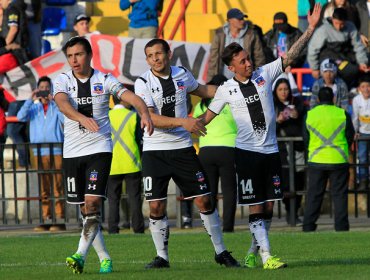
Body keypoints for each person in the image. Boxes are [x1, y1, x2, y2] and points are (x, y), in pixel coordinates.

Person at [201, 4, 322, 269]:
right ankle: (267, 257)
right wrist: (180, 125)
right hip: (246, 154)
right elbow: (205, 119)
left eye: (248, 58)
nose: (249, 62)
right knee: (256, 206)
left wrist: (311, 28)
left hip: (271, 152)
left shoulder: (264, 74)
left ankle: (253, 251)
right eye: (243, 61)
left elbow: (290, 55)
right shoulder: (225, 90)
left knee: (267, 208)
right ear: (232, 67)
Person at [135, 38, 240, 269]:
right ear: (147, 59)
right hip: (155, 152)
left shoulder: (182, 74)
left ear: (168, 54)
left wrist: (233, 88)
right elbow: (151, 118)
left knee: (204, 199)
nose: (155, 59)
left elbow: (203, 90)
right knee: (155, 206)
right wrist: (184, 122)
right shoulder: (142, 82)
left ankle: (221, 252)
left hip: (183, 150)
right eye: (150, 55)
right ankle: (162, 257)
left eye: (159, 54)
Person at [52, 36, 153, 274]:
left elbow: (131, 97)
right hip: (72, 152)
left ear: (89, 55)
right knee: (87, 211)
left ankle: (79, 255)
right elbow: (61, 102)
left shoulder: (104, 79)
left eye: (78, 55)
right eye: (70, 56)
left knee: (93, 202)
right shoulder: (63, 80)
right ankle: (104, 257)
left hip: (99, 149)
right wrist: (81, 117)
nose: (74, 60)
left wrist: (145, 112)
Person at [302, 87, 354, 232]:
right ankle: (341, 227)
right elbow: (350, 135)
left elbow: (305, 139)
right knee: (340, 196)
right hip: (338, 160)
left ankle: (308, 226)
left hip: (316, 160)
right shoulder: (342, 114)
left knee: (314, 195)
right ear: (333, 98)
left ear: (318, 99)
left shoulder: (310, 115)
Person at [17, 76, 65, 231]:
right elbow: (20, 117)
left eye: (46, 87)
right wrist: (30, 99)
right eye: (41, 87)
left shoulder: (55, 107)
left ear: (50, 89)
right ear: (37, 89)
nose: (44, 90)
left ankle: (59, 219)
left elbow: (65, 119)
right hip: (38, 151)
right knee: (43, 187)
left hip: (56, 150)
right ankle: (46, 217)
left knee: (57, 186)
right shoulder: (34, 107)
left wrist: (56, 102)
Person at [193, 74, 238, 232]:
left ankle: (211, 226)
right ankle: (228, 227)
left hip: (205, 150)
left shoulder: (201, 105)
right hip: (228, 149)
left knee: (209, 191)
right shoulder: (230, 102)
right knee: (229, 190)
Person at [107, 95, 145, 234]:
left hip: (112, 164)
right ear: (122, 100)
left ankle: (112, 229)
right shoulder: (133, 116)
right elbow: (140, 139)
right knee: (135, 198)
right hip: (132, 163)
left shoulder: (106, 116)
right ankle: (138, 229)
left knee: (113, 200)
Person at [273, 78, 306, 225]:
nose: (283, 92)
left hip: (298, 148)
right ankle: (289, 212)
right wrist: (278, 121)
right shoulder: (272, 104)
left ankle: (296, 211)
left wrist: (297, 113)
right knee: (285, 181)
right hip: (282, 150)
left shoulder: (298, 102)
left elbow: (304, 116)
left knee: (299, 180)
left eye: (285, 89)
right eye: (280, 89)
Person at [307, 8, 368, 85]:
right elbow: (313, 49)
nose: (339, 27)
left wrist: (362, 62)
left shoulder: (351, 27)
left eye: (342, 24)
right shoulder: (323, 30)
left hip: (345, 56)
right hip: (329, 59)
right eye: (336, 23)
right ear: (332, 19)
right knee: (351, 70)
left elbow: (358, 46)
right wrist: (314, 68)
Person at [207, 7, 265, 81]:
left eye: (243, 19)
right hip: (223, 80)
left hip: (245, 79)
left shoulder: (252, 35)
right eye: (239, 19)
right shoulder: (219, 35)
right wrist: (210, 81)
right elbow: (213, 60)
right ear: (230, 20)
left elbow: (259, 58)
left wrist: (258, 78)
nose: (242, 21)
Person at [352, 74, 370, 190]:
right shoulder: (356, 100)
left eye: (368, 86)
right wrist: (355, 131)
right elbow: (355, 117)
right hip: (363, 133)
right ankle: (363, 181)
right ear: (359, 89)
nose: (366, 89)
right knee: (362, 157)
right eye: (363, 87)